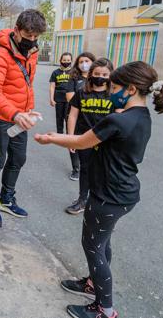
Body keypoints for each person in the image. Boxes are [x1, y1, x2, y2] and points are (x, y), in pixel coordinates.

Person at [34, 61, 163, 318]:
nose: (110, 90)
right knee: (101, 241)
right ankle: (92, 283)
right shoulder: (141, 116)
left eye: (115, 86)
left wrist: (50, 138)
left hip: (109, 195)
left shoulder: (118, 121)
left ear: (131, 89)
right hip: (122, 192)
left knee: (93, 246)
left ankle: (105, 310)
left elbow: (81, 141)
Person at [0, 9, 46, 228]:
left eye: (37, 37)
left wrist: (27, 110)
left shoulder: (33, 52)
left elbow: (26, 84)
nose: (33, 41)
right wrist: (15, 113)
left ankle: (6, 198)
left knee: (18, 159)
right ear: (16, 30)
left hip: (20, 116)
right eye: (29, 37)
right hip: (0, 117)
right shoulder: (0, 54)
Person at [65, 57, 114, 215]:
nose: (101, 77)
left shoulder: (114, 95)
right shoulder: (81, 92)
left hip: (106, 141)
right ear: (91, 73)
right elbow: (72, 116)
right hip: (84, 139)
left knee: (103, 172)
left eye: (105, 74)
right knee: (85, 170)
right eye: (97, 73)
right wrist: (71, 139)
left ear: (111, 75)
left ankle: (99, 203)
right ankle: (82, 200)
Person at [65, 51, 95, 181]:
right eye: (81, 62)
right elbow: (69, 97)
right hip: (74, 115)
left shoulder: (97, 78)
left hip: (92, 117)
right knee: (73, 141)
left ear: (93, 62)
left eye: (87, 61)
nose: (84, 64)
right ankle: (76, 169)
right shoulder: (73, 78)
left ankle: (89, 167)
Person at [49, 52, 73, 135]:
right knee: (59, 117)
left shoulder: (74, 72)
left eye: (68, 60)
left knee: (68, 117)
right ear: (60, 60)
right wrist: (51, 99)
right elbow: (52, 86)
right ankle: (59, 133)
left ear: (71, 61)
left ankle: (69, 133)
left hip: (70, 99)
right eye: (64, 60)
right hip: (58, 98)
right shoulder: (55, 72)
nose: (66, 62)